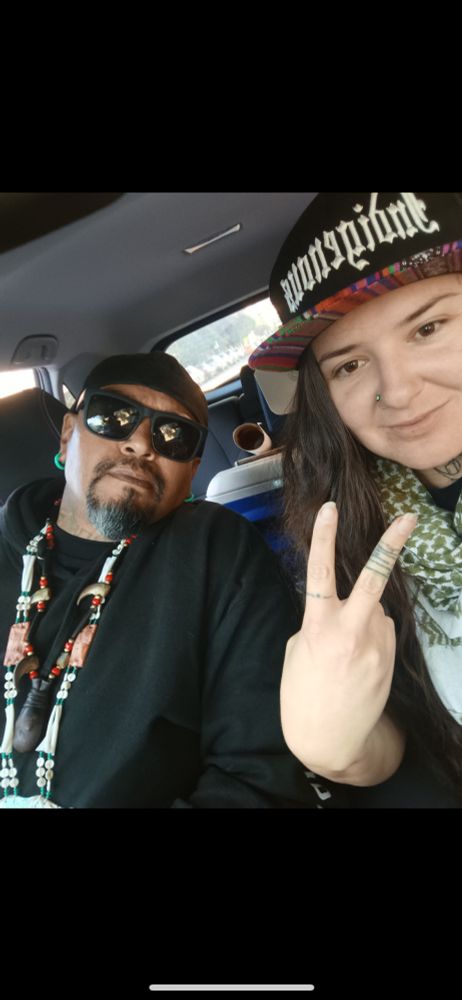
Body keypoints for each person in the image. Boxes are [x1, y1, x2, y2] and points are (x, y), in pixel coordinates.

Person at [0, 351, 347, 809]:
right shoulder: (13, 550)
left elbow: (261, 774)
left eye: (174, 436)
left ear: (191, 475)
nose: (142, 444)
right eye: (113, 416)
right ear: (68, 435)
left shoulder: (213, 548)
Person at [249, 192, 462, 807]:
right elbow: (407, 740)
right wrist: (335, 750)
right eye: (348, 366)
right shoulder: (352, 527)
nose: (396, 391)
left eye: (427, 328)